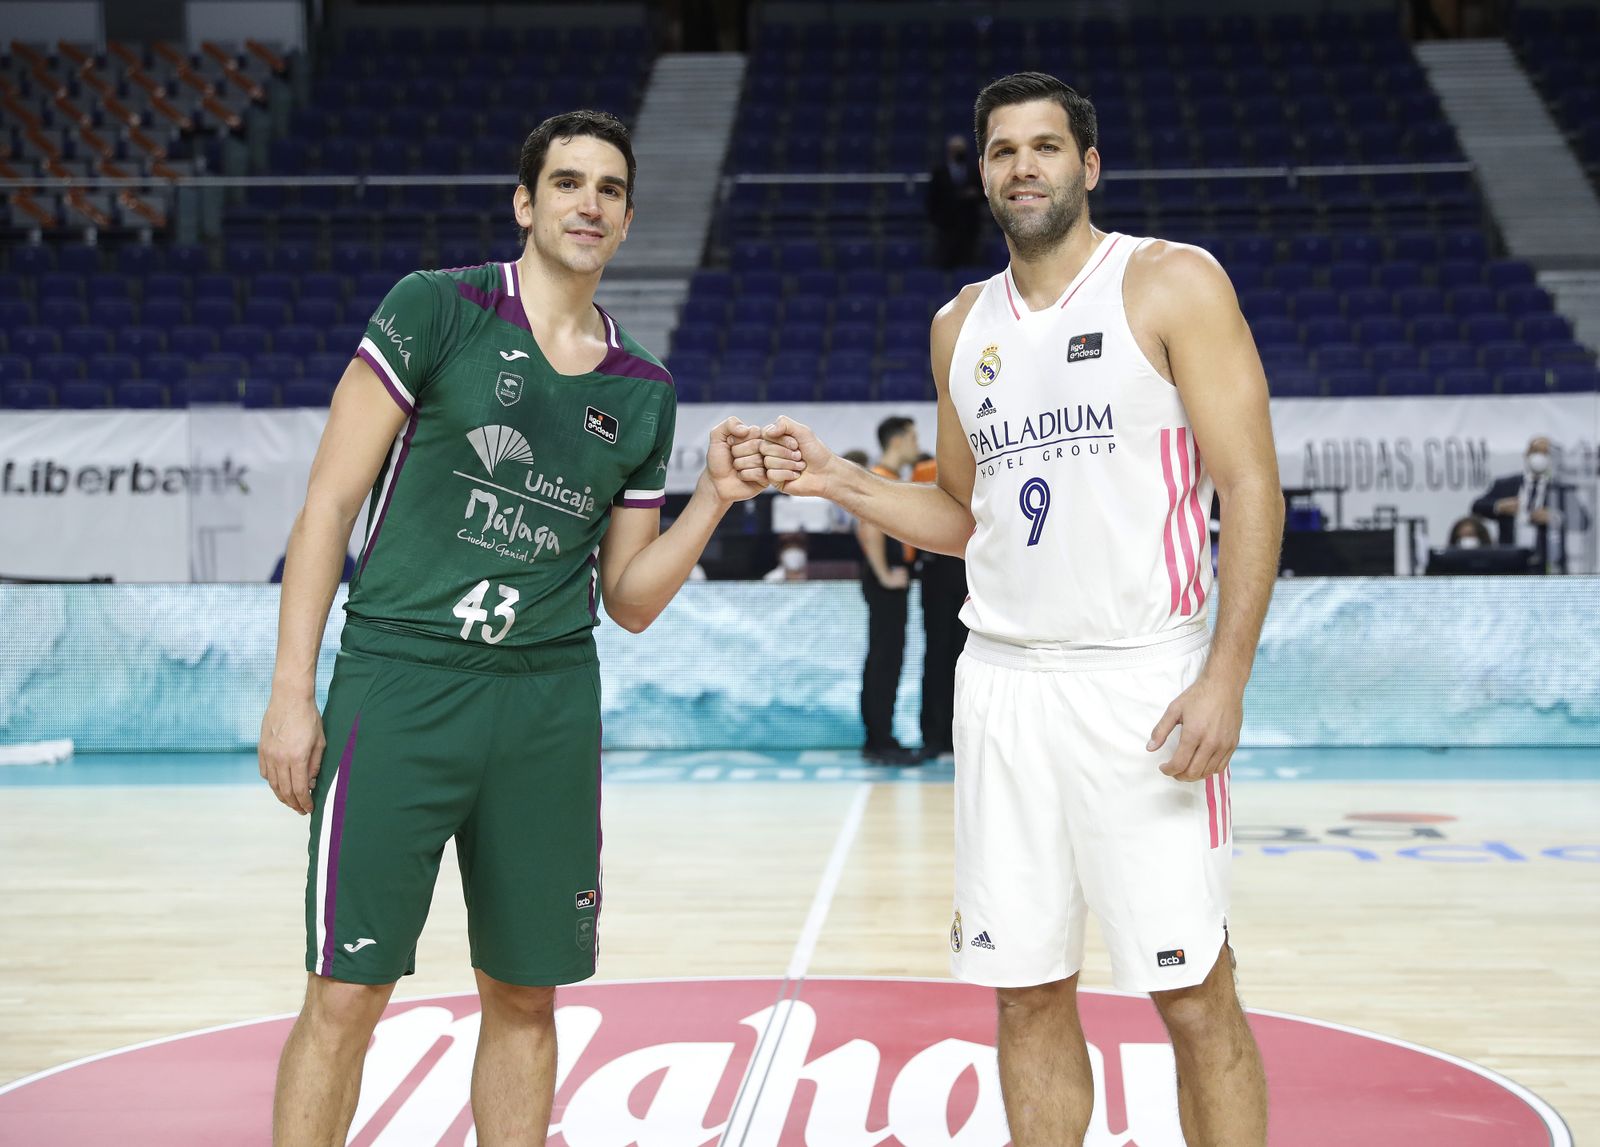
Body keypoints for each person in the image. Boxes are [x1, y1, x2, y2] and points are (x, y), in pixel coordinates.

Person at [758, 72, 1281, 1147]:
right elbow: (965, 516)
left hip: (1142, 682)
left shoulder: (1169, 282)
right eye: (1002, 151)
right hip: (1001, 687)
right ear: (983, 176)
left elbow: (1251, 486)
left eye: (1045, 147)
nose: (1022, 167)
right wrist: (837, 478)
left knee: (1192, 991)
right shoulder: (960, 327)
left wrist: (1225, 675)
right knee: (1027, 989)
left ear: (1088, 166)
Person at [256, 109, 766, 1147]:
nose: (589, 203)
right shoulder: (435, 308)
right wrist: (290, 691)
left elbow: (629, 599)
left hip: (545, 704)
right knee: (347, 991)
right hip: (400, 682)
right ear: (525, 203)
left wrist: (711, 499)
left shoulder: (643, 391)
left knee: (527, 995)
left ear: (627, 219)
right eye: (568, 182)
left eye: (610, 189)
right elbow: (328, 505)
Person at [857, 416, 922, 765]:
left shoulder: (890, 478)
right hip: (885, 581)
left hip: (892, 578)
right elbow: (869, 528)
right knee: (884, 657)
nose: (917, 444)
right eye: (912, 437)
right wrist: (884, 574)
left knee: (889, 657)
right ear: (896, 441)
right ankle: (879, 739)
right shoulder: (880, 478)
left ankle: (882, 736)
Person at [911, 452, 967, 760]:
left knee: (962, 654)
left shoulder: (982, 466)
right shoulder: (925, 471)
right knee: (938, 654)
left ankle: (953, 735)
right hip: (938, 572)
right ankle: (934, 734)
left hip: (966, 571)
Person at [1471, 435, 1560, 568]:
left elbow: (1582, 519)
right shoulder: (1506, 484)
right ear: (1526, 455)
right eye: (1535, 451)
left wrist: (1554, 517)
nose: (1539, 457)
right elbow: (1477, 506)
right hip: (1509, 559)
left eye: (1545, 453)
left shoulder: (1558, 488)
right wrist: (1499, 506)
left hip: (1545, 561)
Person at [927, 133, 985, 269]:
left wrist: (975, 194)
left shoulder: (974, 170)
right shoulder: (940, 172)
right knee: (945, 263)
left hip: (970, 226)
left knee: (969, 265)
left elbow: (984, 194)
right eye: (956, 149)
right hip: (946, 226)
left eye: (961, 149)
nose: (959, 152)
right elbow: (932, 199)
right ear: (949, 150)